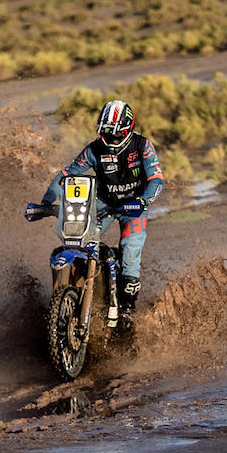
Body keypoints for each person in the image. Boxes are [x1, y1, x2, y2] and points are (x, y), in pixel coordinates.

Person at [38, 100, 164, 320]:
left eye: (114, 134)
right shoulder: (94, 149)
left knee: (131, 253)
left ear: (127, 129)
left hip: (132, 207)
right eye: (105, 133)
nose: (110, 138)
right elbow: (65, 175)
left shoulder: (142, 145)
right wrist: (46, 202)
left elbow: (156, 180)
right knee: (80, 240)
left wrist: (143, 201)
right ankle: (77, 291)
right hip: (102, 204)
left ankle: (126, 312)